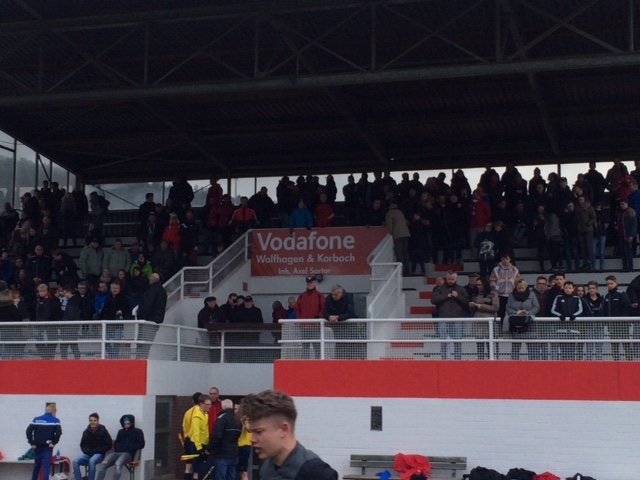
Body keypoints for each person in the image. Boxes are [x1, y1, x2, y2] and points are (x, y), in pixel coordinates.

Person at [240, 390, 337, 480]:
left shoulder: (316, 472)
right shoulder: (265, 466)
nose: (252, 439)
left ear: (284, 429)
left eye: (258, 432)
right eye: (251, 432)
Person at [430, 270, 469, 360]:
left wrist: (457, 296)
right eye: (449, 279)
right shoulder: (440, 289)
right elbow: (433, 300)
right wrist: (446, 296)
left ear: (456, 279)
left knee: (458, 341)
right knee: (443, 341)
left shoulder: (461, 289)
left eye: (452, 279)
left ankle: (458, 360)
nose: (450, 281)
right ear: (446, 278)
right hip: (443, 318)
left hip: (457, 318)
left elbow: (467, 302)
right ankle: (444, 359)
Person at [95, 414, 145, 480]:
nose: (126, 425)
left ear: (132, 423)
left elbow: (141, 444)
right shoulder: (120, 432)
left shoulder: (138, 431)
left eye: (128, 423)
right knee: (103, 464)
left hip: (128, 454)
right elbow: (116, 444)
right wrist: (120, 447)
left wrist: (129, 447)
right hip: (117, 452)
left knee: (118, 464)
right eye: (124, 424)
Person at [504, 279, 540, 360]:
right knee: (516, 348)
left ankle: (533, 363)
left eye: (522, 288)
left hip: (529, 324)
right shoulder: (511, 295)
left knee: (532, 348)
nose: (520, 290)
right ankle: (514, 363)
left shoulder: (532, 294)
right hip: (516, 324)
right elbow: (508, 307)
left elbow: (536, 307)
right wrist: (516, 312)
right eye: (519, 288)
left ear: (526, 287)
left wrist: (528, 312)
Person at [323, 284, 361, 359]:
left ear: (341, 293)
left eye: (336, 295)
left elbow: (351, 313)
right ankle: (339, 361)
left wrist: (339, 317)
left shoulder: (348, 298)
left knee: (352, 347)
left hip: (350, 328)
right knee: (339, 346)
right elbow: (325, 312)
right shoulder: (329, 298)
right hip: (337, 328)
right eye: (333, 294)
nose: (333, 296)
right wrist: (329, 317)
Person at [26, 402, 62, 480]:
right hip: (47, 447)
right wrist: (54, 442)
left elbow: (28, 431)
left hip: (37, 446)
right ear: (54, 412)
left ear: (46, 410)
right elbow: (58, 432)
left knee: (37, 466)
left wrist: (32, 442)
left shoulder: (36, 419)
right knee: (46, 468)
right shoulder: (55, 420)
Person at [72, 412, 113, 480]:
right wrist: (87, 451)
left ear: (98, 421)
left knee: (92, 461)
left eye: (94, 420)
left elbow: (109, 444)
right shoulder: (86, 432)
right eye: (91, 420)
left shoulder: (103, 431)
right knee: (75, 461)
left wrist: (99, 450)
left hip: (99, 454)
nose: (93, 422)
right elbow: (82, 445)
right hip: (88, 454)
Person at [550, 281, 583, 360]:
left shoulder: (577, 299)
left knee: (572, 348)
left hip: (573, 328)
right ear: (563, 288)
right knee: (563, 348)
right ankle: (563, 363)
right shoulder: (558, 298)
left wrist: (574, 315)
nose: (568, 290)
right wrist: (560, 315)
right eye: (566, 288)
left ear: (573, 289)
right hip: (561, 329)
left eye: (569, 288)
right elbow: (553, 310)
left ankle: (572, 363)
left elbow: (580, 310)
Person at [210, 399, 242, 480]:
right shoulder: (238, 420)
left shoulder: (221, 418)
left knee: (220, 476)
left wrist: (211, 449)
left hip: (221, 453)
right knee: (231, 476)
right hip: (234, 452)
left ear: (222, 407)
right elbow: (238, 435)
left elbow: (216, 436)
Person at [603, 275, 633, 361]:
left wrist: (622, 320)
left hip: (622, 325)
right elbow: (605, 310)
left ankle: (629, 362)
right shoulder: (607, 296)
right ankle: (615, 362)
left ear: (616, 283)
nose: (609, 285)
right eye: (607, 284)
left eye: (611, 283)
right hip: (611, 326)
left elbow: (627, 308)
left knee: (626, 345)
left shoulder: (622, 294)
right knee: (614, 346)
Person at [469, 276, 499, 359]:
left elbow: (496, 308)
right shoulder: (475, 295)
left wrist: (481, 306)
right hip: (478, 321)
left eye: (480, 285)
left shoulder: (493, 294)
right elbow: (472, 310)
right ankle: (480, 360)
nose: (478, 287)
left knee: (490, 343)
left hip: (489, 322)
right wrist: (471, 306)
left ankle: (491, 359)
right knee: (479, 344)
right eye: (477, 285)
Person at [295, 275, 326, 358]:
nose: (310, 284)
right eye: (308, 283)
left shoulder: (319, 296)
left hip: (315, 327)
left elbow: (323, 308)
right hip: (304, 327)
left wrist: (318, 317)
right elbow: (297, 309)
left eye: (311, 282)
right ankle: (305, 363)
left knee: (317, 348)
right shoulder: (302, 296)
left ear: (315, 283)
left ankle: (318, 363)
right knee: (305, 348)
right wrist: (300, 320)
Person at [185, 394, 213, 480]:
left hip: (203, 443)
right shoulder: (197, 416)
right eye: (207, 404)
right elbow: (196, 433)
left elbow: (205, 431)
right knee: (196, 470)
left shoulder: (205, 415)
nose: (209, 406)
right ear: (201, 404)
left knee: (199, 469)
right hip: (197, 445)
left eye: (210, 404)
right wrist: (199, 448)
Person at [490, 252, 520, 319]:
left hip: (511, 294)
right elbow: (492, 280)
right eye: (503, 259)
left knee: (512, 310)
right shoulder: (496, 269)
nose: (505, 260)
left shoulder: (514, 269)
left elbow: (518, 281)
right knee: (501, 311)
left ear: (509, 259)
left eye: (506, 258)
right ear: (501, 259)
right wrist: (496, 288)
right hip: (500, 294)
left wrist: (515, 289)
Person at [182, 392, 203, 480]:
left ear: (192, 401)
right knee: (197, 469)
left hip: (187, 440)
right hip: (196, 441)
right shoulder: (201, 412)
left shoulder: (187, 412)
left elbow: (184, 426)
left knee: (188, 466)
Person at [385, 203, 410, 276]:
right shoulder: (400, 212)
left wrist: (391, 233)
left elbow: (390, 226)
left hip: (397, 235)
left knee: (399, 253)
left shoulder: (389, 214)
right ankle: (407, 269)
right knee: (405, 252)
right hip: (406, 234)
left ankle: (401, 270)